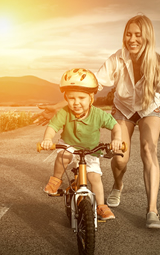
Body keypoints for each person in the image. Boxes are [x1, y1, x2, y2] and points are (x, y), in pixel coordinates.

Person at [34, 15, 160, 228]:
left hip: (149, 108)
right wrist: (57, 108)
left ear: (147, 37)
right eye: (128, 34)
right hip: (123, 108)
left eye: (138, 35)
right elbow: (92, 85)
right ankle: (118, 185)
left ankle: (152, 210)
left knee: (149, 150)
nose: (132, 39)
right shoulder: (117, 59)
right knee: (120, 158)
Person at [40, 68, 122, 221]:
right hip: (68, 145)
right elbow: (52, 127)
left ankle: (101, 206)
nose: (76, 102)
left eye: (81, 98)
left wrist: (117, 140)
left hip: (91, 150)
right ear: (66, 98)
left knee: (94, 177)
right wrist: (47, 139)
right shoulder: (64, 112)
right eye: (71, 98)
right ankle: (55, 180)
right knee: (64, 156)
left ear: (91, 98)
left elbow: (115, 126)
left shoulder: (98, 114)